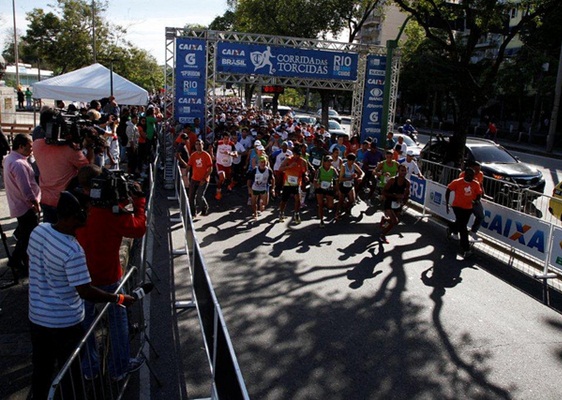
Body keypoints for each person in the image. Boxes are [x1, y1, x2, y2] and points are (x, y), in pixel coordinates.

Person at [27, 191, 136, 400]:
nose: (87, 215)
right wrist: (118, 298)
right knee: (71, 373)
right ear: (71, 217)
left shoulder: (39, 231)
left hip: (37, 318)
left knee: (41, 369)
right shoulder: (72, 250)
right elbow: (85, 291)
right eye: (83, 212)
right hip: (64, 324)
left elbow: (32, 259)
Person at [76, 165, 147, 382]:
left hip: (80, 277)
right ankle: (119, 367)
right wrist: (139, 203)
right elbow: (138, 228)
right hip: (108, 276)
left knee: (85, 325)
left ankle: (89, 368)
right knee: (118, 322)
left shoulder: (76, 207)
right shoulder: (111, 213)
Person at [33, 121, 95, 223]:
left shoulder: (37, 144)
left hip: (45, 199)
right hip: (63, 202)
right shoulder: (71, 150)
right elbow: (88, 170)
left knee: (49, 233)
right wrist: (90, 147)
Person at [3, 134, 41, 276]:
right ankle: (16, 260)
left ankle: (17, 259)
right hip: (25, 206)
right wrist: (35, 204)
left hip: (19, 204)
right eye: (29, 147)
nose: (31, 150)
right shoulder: (18, 163)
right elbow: (26, 189)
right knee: (28, 237)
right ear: (21, 146)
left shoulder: (11, 159)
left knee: (25, 235)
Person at [445, 168, 482, 258]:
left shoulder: (475, 184)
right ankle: (466, 248)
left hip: (468, 208)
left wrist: (476, 201)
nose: (471, 177)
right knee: (463, 227)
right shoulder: (457, 182)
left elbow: (479, 194)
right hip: (457, 206)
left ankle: (451, 227)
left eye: (472, 176)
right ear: (465, 174)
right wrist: (447, 203)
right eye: (469, 175)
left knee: (461, 223)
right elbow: (448, 189)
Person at [380, 164, 410, 243]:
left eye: (405, 171)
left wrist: (403, 202)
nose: (403, 172)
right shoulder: (392, 180)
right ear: (398, 171)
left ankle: (385, 220)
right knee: (395, 221)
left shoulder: (407, 183)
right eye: (402, 171)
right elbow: (383, 191)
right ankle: (382, 235)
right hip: (389, 201)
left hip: (398, 203)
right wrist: (395, 195)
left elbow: (407, 194)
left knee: (395, 221)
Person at [278, 143, 308, 224]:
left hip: (297, 183)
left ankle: (296, 214)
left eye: (299, 155)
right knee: (284, 200)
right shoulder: (288, 159)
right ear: (293, 154)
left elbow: (305, 172)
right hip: (287, 183)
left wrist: (306, 176)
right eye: (296, 155)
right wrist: (289, 166)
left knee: (297, 199)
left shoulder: (303, 161)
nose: (297, 157)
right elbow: (280, 169)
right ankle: (281, 213)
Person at [186, 139, 213, 217]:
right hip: (194, 178)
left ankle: (204, 208)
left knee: (199, 196)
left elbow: (210, 169)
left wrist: (204, 179)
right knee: (191, 196)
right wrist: (185, 174)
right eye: (196, 144)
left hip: (203, 179)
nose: (198, 146)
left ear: (203, 145)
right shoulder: (193, 155)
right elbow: (189, 165)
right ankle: (192, 213)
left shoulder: (206, 155)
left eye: (199, 144)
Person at [459, 161, 484, 240]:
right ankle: (454, 230)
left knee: (480, 216)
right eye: (476, 170)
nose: (478, 172)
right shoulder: (463, 175)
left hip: (475, 200)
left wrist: (483, 193)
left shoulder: (480, 174)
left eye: (479, 170)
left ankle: (472, 232)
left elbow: (481, 184)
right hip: (466, 200)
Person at [336, 153, 364, 219]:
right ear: (348, 160)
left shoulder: (354, 165)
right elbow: (341, 178)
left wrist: (361, 177)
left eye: (353, 161)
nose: (352, 162)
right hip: (343, 184)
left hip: (350, 185)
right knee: (341, 200)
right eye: (351, 161)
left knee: (352, 200)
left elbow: (362, 172)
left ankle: (346, 207)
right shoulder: (343, 166)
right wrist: (351, 177)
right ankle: (337, 214)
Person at [314, 155, 339, 226]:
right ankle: (321, 220)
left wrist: (336, 189)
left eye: (331, 161)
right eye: (328, 161)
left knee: (330, 206)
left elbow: (336, 180)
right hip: (320, 188)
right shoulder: (319, 170)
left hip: (329, 188)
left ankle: (325, 202)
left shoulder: (333, 170)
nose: (329, 163)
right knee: (320, 204)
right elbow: (314, 181)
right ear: (324, 162)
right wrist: (317, 185)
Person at [214, 132, 238, 200]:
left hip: (228, 164)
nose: (226, 140)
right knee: (222, 177)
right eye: (225, 138)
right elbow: (211, 146)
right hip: (220, 163)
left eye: (228, 139)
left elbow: (236, 155)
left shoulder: (231, 144)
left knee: (229, 178)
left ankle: (229, 186)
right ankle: (218, 191)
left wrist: (230, 153)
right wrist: (212, 155)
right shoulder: (218, 143)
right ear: (223, 138)